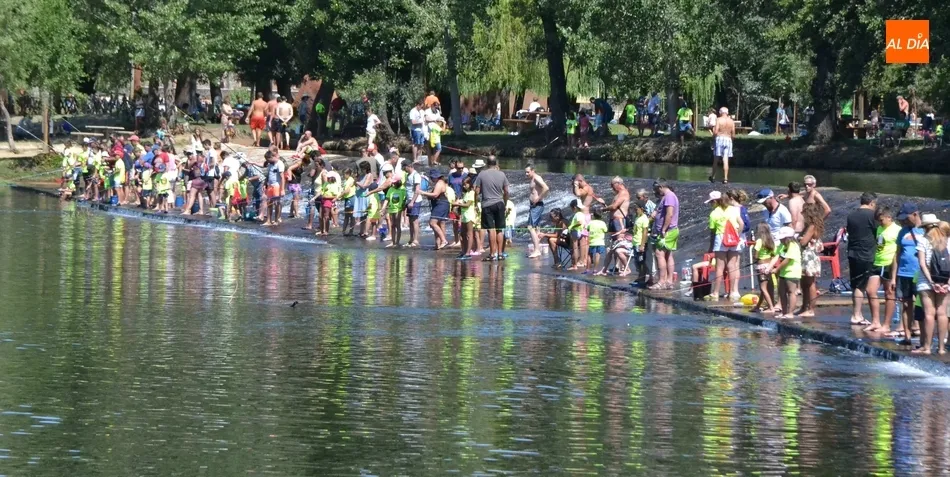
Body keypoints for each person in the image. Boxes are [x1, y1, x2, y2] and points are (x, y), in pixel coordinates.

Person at [913, 214, 950, 355]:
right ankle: (941, 348)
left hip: (926, 282)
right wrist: (947, 283)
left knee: (929, 314)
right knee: (942, 313)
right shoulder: (948, 241)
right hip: (945, 281)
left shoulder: (923, 240)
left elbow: (922, 264)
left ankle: (927, 347)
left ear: (925, 227)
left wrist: (932, 282)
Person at [890, 203, 924, 346]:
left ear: (915, 214)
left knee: (921, 306)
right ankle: (907, 336)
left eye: (906, 218)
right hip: (904, 273)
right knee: (905, 304)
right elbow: (897, 255)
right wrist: (893, 277)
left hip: (920, 273)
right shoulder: (902, 232)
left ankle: (923, 339)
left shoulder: (924, 230)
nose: (904, 221)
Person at [864, 205, 900, 334]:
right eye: (878, 220)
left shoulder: (897, 230)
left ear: (889, 217)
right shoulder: (879, 228)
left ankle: (886, 324)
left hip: (889, 263)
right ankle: (875, 321)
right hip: (877, 262)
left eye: (881, 220)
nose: (880, 223)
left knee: (889, 293)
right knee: (870, 290)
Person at [845, 192, 878, 326]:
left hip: (853, 252)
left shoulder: (851, 215)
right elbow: (878, 233)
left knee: (855, 284)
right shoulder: (872, 215)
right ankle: (857, 315)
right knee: (861, 285)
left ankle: (857, 313)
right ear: (872, 203)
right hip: (866, 253)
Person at [705, 191, 744, 302]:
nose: (711, 204)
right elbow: (741, 224)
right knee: (732, 266)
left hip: (721, 238)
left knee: (719, 267)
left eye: (711, 202)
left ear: (715, 201)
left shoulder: (714, 213)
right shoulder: (734, 209)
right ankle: (732, 292)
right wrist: (737, 235)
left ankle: (716, 292)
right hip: (733, 238)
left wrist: (711, 246)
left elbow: (713, 230)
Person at [473, 156, 510, 261]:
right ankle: (500, 253)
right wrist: (505, 203)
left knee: (490, 229)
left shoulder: (482, 174)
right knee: (499, 229)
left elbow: (476, 191)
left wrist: (475, 203)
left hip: (487, 204)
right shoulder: (502, 174)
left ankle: (492, 254)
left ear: (487, 163)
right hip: (500, 203)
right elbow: (506, 191)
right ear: (496, 163)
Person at [797, 203, 826, 317]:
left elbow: (803, 241)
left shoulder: (812, 226)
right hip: (805, 256)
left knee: (810, 283)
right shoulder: (807, 225)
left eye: (804, 212)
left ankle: (811, 309)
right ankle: (804, 306)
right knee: (803, 283)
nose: (802, 214)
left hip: (810, 257)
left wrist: (799, 238)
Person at [651, 179, 680, 289]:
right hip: (670, 230)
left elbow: (669, 214)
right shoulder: (668, 196)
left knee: (659, 254)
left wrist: (663, 229)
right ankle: (669, 281)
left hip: (668, 231)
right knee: (668, 254)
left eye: (657, 189)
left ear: (661, 187)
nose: (657, 192)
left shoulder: (669, 196)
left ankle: (662, 281)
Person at [769, 227, 801, 318]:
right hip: (783, 272)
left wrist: (777, 269)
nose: (781, 240)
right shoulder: (782, 246)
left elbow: (787, 260)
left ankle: (790, 313)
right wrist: (769, 267)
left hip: (792, 271)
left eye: (782, 238)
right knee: (781, 292)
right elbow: (777, 256)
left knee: (791, 292)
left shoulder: (793, 245)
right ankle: (784, 312)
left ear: (788, 238)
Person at [751, 223, 778, 313]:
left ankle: (771, 307)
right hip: (769, 265)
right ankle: (758, 306)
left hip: (761, 266)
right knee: (767, 287)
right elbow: (774, 254)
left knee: (763, 288)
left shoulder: (759, 241)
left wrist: (755, 258)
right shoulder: (771, 241)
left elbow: (756, 255)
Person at [421, 170, 450, 250]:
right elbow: (433, 195)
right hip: (439, 204)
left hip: (441, 204)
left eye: (432, 177)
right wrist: (428, 195)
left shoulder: (439, 183)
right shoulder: (438, 183)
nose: (432, 179)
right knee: (438, 224)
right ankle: (438, 244)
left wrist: (423, 192)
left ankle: (444, 240)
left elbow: (435, 195)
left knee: (432, 223)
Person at [525, 165, 549, 258]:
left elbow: (546, 188)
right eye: (525, 172)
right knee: (536, 228)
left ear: (533, 170)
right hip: (534, 206)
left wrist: (538, 198)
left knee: (530, 227)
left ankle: (537, 250)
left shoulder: (536, 178)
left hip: (537, 205)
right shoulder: (533, 179)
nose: (526, 174)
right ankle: (537, 248)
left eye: (528, 172)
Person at [711, 107, 735, 184]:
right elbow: (733, 134)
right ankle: (725, 178)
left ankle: (713, 177)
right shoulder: (731, 121)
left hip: (720, 138)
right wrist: (731, 141)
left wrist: (713, 139)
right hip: (728, 139)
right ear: (727, 113)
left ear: (720, 112)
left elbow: (716, 131)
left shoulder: (718, 119)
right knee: (726, 159)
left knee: (716, 159)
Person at [455, 176, 477, 259]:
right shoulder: (466, 193)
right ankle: (464, 251)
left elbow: (467, 204)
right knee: (462, 234)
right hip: (464, 215)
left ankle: (468, 252)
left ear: (469, 184)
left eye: (465, 184)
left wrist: (457, 204)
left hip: (469, 216)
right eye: (463, 185)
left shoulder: (471, 193)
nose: (464, 186)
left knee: (469, 234)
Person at [403, 161, 423, 247]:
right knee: (410, 220)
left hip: (415, 200)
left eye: (404, 167)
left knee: (415, 220)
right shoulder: (408, 175)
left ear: (408, 166)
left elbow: (417, 190)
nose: (403, 169)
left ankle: (416, 240)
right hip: (409, 200)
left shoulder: (416, 175)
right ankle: (411, 239)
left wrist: (412, 201)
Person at [262, 151, 284, 226]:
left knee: (276, 203)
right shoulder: (270, 164)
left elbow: (282, 178)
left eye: (268, 159)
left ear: (272, 157)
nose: (267, 161)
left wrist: (282, 189)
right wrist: (265, 184)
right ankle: (268, 220)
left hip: (277, 186)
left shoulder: (279, 164)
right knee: (269, 203)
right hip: (270, 185)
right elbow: (268, 175)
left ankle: (276, 220)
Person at [587, 206, 608, 274]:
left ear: (593, 215)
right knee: (597, 255)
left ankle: (588, 269)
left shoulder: (591, 222)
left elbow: (587, 229)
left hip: (592, 242)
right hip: (600, 242)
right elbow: (606, 230)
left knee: (589, 255)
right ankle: (595, 269)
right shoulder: (603, 223)